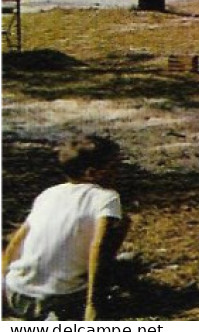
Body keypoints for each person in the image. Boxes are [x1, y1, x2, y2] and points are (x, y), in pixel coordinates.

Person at [2, 135, 130, 321]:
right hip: (55, 299)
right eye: (113, 166)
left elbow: (17, 240)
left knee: (121, 221)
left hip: (16, 292)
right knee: (120, 224)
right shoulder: (107, 197)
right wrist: (93, 305)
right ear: (92, 173)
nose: (118, 172)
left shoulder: (48, 194)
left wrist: (3, 280)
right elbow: (99, 246)